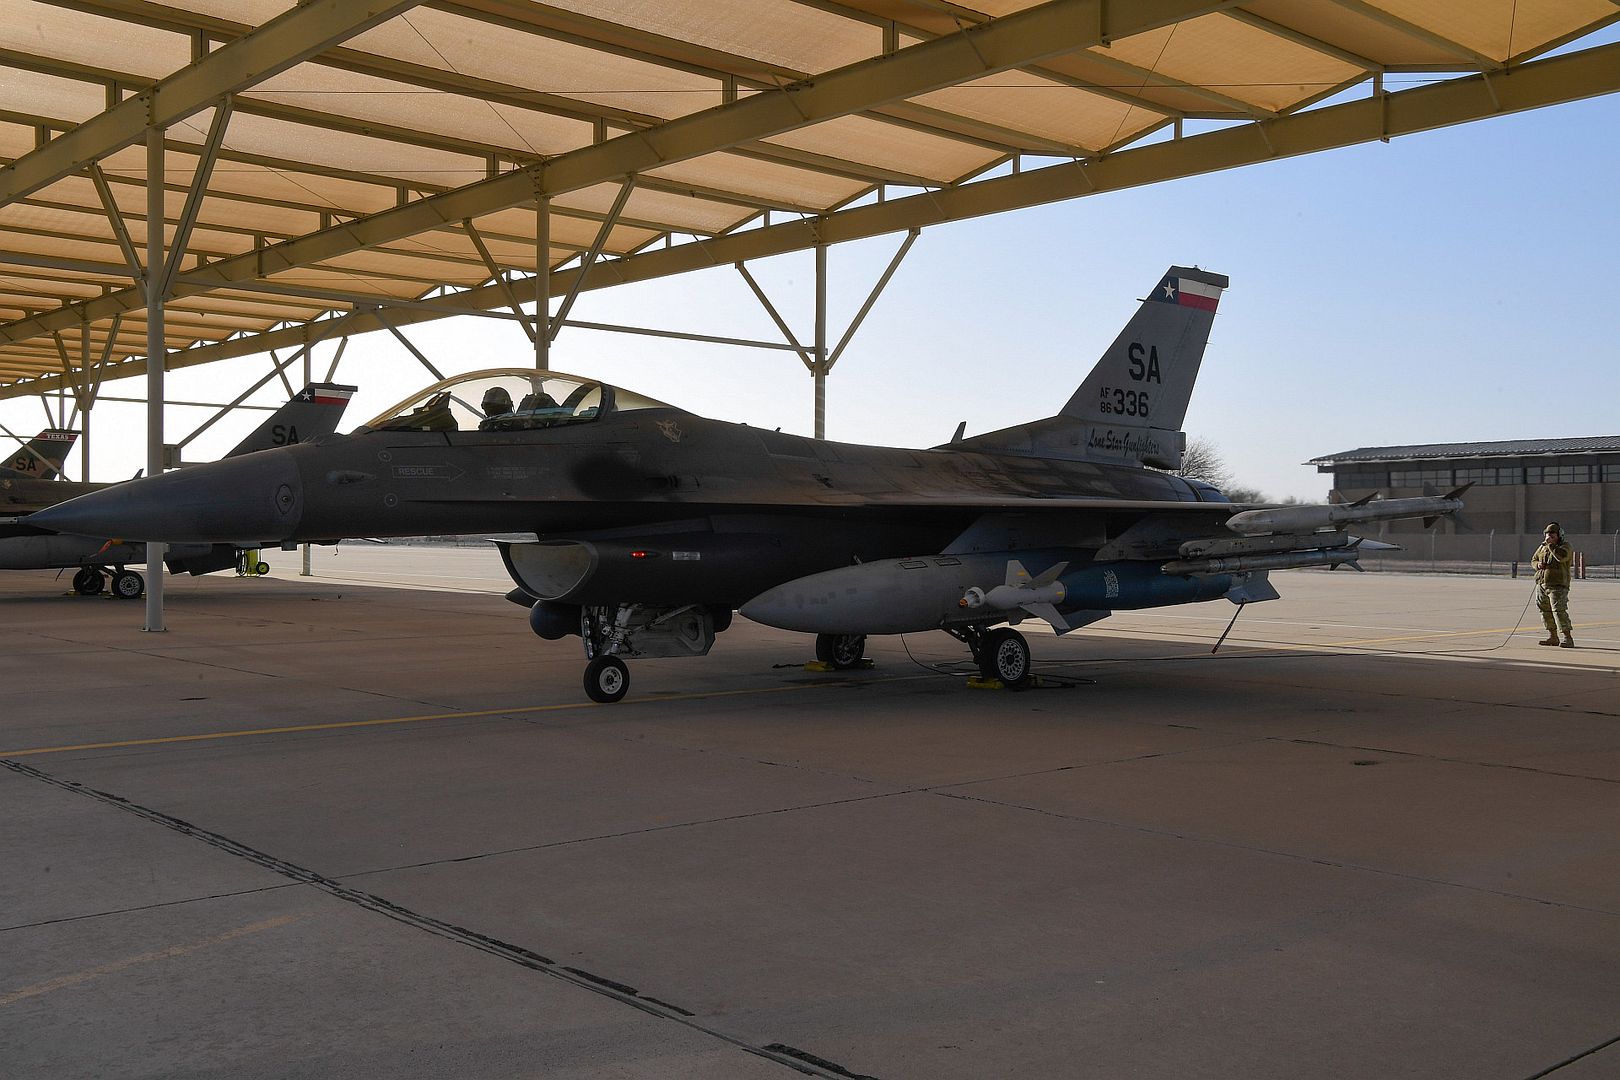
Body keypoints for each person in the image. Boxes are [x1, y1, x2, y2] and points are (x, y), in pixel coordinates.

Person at [1531, 521, 1575, 648]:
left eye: (1552, 535)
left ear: (1559, 536)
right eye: (1547, 535)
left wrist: (1551, 546)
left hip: (1558, 585)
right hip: (1542, 584)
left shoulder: (1565, 546)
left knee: (1559, 611)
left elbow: (1562, 557)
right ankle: (1553, 636)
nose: (1549, 537)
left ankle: (1567, 637)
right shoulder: (1542, 547)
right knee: (1545, 610)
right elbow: (1534, 559)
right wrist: (1537, 565)